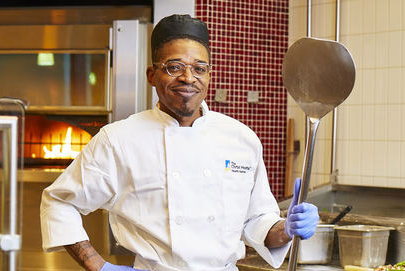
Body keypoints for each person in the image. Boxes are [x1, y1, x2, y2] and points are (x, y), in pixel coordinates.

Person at [40, 14, 319, 271]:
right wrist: (99, 266)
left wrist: (287, 228)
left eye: (199, 68)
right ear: (152, 75)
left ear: (209, 76)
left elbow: (258, 223)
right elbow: (59, 202)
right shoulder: (118, 140)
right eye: (174, 67)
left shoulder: (241, 139)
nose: (188, 78)